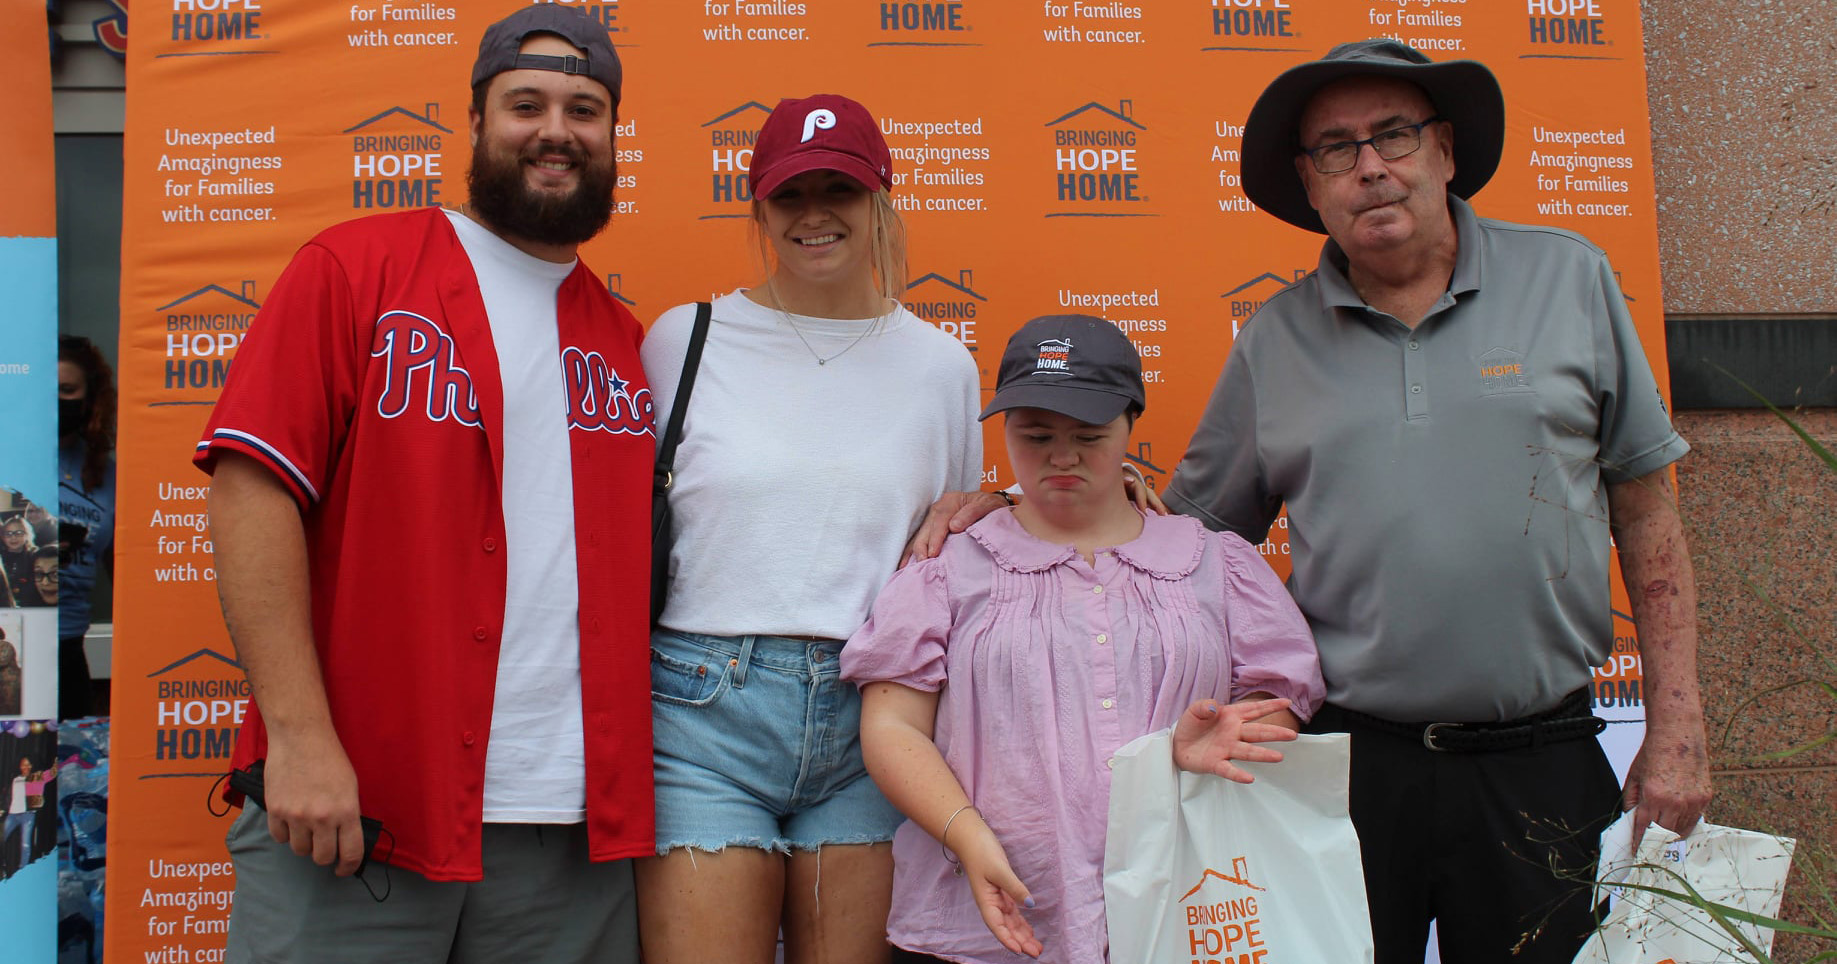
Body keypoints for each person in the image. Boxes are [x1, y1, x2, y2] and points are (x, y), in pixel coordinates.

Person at [1161, 39, 1712, 964]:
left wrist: (1678, 726)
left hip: (1542, 760)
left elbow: (1648, 511)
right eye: (1335, 148)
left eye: (1393, 135)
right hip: (1345, 768)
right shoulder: (1273, 341)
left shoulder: (1568, 280)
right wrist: (1020, 506)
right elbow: (1185, 542)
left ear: (1445, 151)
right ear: (1309, 183)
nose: (1369, 165)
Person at [194, 7, 650, 962]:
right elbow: (250, 489)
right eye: (525, 104)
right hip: (362, 807)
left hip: (568, 832)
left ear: (613, 137)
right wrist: (299, 738)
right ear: (476, 122)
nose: (556, 131)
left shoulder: (623, 337)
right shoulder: (355, 266)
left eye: (586, 109)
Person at [843, 315, 1324, 964]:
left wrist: (1219, 733)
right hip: (983, 922)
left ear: (1130, 424)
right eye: (1035, 435)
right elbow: (894, 726)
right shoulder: (945, 565)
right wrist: (967, 836)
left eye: (1088, 436)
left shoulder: (1217, 563)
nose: (1061, 457)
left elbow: (1279, 698)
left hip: (1186, 915)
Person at [635, 94, 982, 964]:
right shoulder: (684, 339)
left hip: (876, 717)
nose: (815, 213)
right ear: (758, 205)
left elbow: (956, 533)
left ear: (881, 200)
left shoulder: (943, 366)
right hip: (700, 710)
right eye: (791, 193)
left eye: (841, 189)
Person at [57, 334, 117, 718]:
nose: (56, 400)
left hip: (67, 650)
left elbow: (122, 574)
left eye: (67, 390)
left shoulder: (108, 477)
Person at [0, 515, 36, 606]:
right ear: (3, 537)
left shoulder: (34, 556)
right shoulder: (1, 557)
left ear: (27, 534)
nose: (13, 538)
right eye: (8, 534)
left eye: (18, 533)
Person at [0, 632, 19, 716]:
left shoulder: (5, 645)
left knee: (10, 709)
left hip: (10, 684)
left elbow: (2, 660)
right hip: (2, 684)